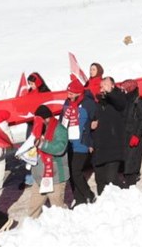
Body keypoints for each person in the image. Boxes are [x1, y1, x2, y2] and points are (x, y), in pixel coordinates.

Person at [8, 106, 69, 225]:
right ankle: (31, 228)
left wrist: (42, 144)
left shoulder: (60, 129)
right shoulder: (38, 129)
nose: (36, 122)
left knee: (57, 207)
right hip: (39, 176)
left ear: (46, 118)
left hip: (56, 175)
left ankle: (63, 229)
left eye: (38, 119)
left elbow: (60, 148)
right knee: (34, 207)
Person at [61, 77, 97, 207]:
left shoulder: (88, 104)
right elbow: (62, 121)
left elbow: (96, 120)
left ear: (78, 93)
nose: (68, 95)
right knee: (70, 173)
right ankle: (79, 199)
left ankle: (89, 194)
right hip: (69, 142)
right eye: (68, 93)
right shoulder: (67, 103)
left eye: (71, 93)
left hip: (82, 142)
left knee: (76, 171)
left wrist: (91, 143)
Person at [90, 77, 129, 194]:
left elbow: (120, 103)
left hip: (114, 145)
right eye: (102, 86)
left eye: (106, 84)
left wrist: (109, 93)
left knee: (111, 178)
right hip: (100, 145)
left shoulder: (118, 96)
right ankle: (102, 203)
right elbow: (91, 117)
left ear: (113, 85)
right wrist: (91, 124)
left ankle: (127, 194)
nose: (103, 87)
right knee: (100, 179)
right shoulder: (98, 101)